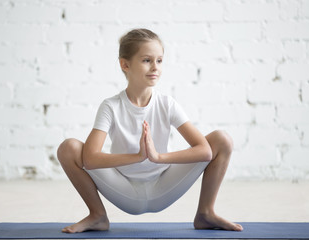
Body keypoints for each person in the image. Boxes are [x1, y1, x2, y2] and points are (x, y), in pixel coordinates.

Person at [57, 28, 243, 233]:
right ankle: (97, 215)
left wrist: (157, 157)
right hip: (123, 189)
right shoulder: (111, 106)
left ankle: (205, 213)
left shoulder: (167, 104)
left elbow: (205, 151)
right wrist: (137, 157)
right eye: (147, 60)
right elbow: (90, 159)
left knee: (222, 140)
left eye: (160, 61)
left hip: (164, 186)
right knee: (69, 148)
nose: (155, 67)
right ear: (125, 64)